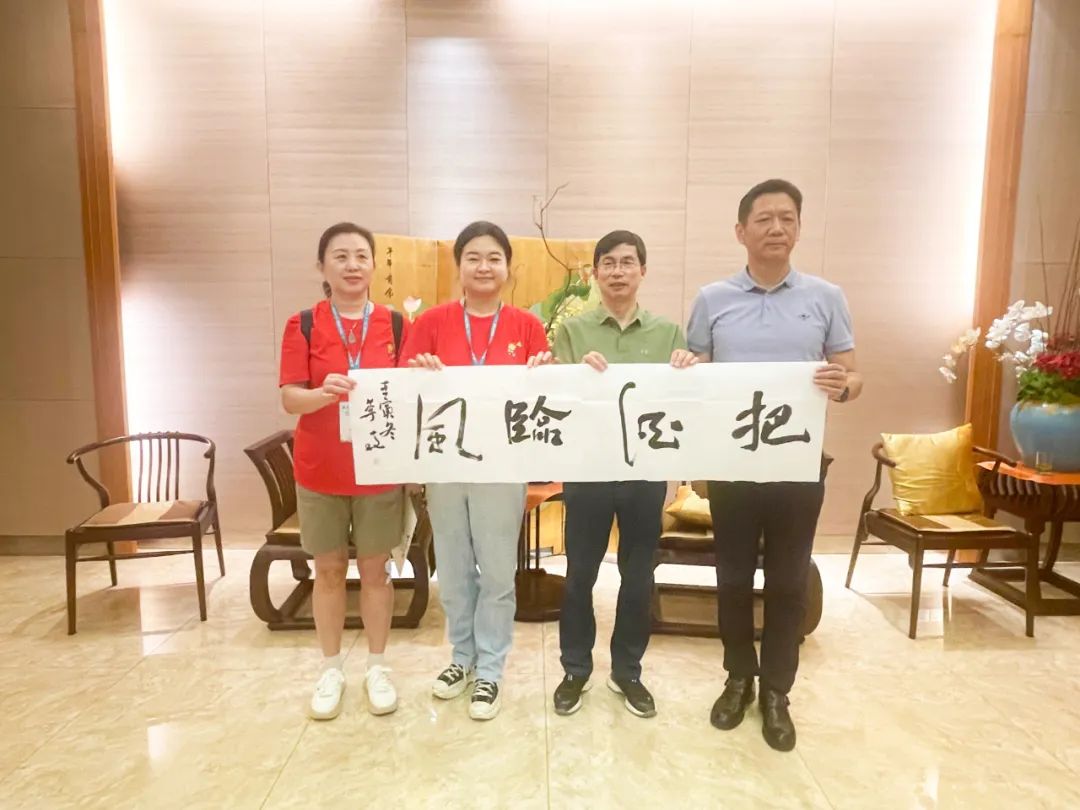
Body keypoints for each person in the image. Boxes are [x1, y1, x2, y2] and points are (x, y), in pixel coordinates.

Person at [686, 179, 862, 752]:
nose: (776, 228)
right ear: (741, 231)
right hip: (732, 467)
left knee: (788, 581)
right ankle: (738, 676)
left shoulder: (826, 297)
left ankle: (777, 690)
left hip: (798, 465)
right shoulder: (712, 299)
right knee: (733, 578)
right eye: (764, 219)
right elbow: (696, 375)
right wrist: (685, 367)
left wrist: (843, 383)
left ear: (799, 228)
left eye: (787, 218)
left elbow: (852, 374)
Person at [399, 220, 553, 721]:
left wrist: (545, 375)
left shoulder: (526, 326)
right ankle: (461, 657)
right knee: (454, 568)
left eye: (494, 258)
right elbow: (403, 390)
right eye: (473, 257)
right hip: (445, 465)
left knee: (498, 571)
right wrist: (417, 372)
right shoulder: (431, 323)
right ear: (458, 266)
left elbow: (543, 399)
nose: (484, 267)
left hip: (502, 467)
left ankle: (490, 667)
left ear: (508, 267)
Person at [550, 230, 697, 719]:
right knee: (580, 575)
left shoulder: (668, 333)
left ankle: (627, 671)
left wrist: (687, 367)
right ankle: (575, 669)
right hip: (587, 471)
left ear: (642, 271)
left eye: (627, 262)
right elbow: (556, 401)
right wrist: (573, 374)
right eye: (608, 263)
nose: (617, 271)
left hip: (645, 472)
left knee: (637, 576)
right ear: (595, 272)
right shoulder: (572, 332)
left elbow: (684, 400)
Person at [279, 222, 409, 720]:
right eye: (340, 256)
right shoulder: (303, 324)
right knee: (329, 570)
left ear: (374, 264)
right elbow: (291, 397)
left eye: (361, 256)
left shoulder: (395, 324)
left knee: (376, 572)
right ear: (322, 266)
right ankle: (331, 669)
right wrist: (321, 393)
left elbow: (412, 391)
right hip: (321, 470)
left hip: (378, 467)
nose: (352, 265)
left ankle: (377, 666)